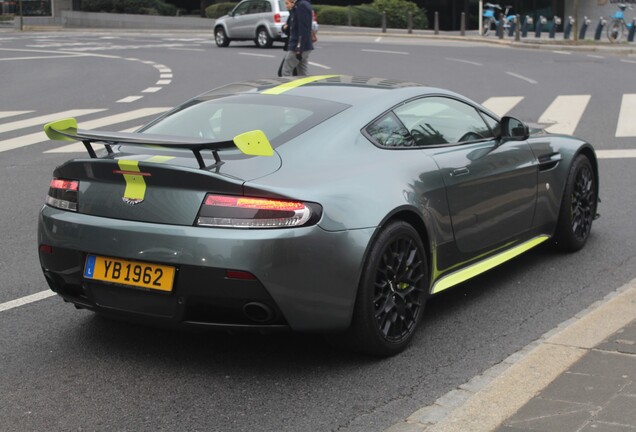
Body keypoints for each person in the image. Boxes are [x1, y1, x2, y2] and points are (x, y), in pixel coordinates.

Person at [280, 0, 313, 76]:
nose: (286, 5)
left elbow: (304, 30)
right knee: (302, 74)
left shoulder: (301, 6)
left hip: (297, 46)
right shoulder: (298, 5)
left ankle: (287, 88)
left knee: (285, 73)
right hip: (301, 46)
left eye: (287, 3)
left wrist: (299, 48)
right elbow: (292, 27)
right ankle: (304, 87)